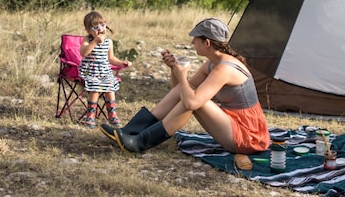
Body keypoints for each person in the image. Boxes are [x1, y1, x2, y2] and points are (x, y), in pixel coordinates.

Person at [100, 18, 270, 156]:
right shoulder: (212, 64)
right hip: (233, 123)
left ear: (207, 42)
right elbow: (179, 91)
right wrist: (174, 69)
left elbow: (190, 103)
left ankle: (139, 143)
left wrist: (182, 76)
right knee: (191, 93)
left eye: (195, 39)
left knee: (195, 100)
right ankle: (130, 132)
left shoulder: (224, 69)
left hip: (248, 136)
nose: (191, 42)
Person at [78, 11, 131, 128]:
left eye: (102, 25)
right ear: (88, 30)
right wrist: (95, 42)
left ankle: (112, 114)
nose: (100, 29)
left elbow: (111, 58)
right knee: (95, 86)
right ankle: (91, 115)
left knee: (110, 85)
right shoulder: (87, 39)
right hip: (90, 72)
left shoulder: (108, 42)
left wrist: (121, 62)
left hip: (104, 72)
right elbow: (83, 53)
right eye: (95, 27)